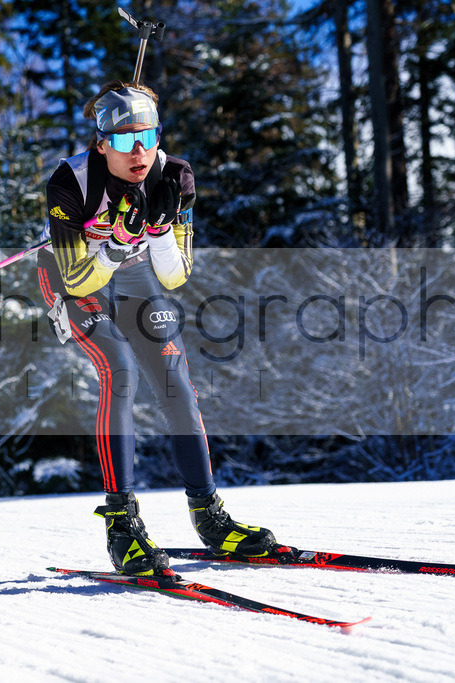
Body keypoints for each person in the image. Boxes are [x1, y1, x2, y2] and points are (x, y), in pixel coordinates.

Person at [37, 81, 282, 577]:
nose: (140, 152)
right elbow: (75, 276)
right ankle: (122, 527)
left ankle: (210, 517)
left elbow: (175, 274)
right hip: (77, 276)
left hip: (138, 275)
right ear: (101, 143)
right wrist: (115, 242)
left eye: (148, 137)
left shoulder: (175, 175)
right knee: (119, 371)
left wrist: (160, 229)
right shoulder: (69, 183)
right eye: (125, 141)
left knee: (176, 383)